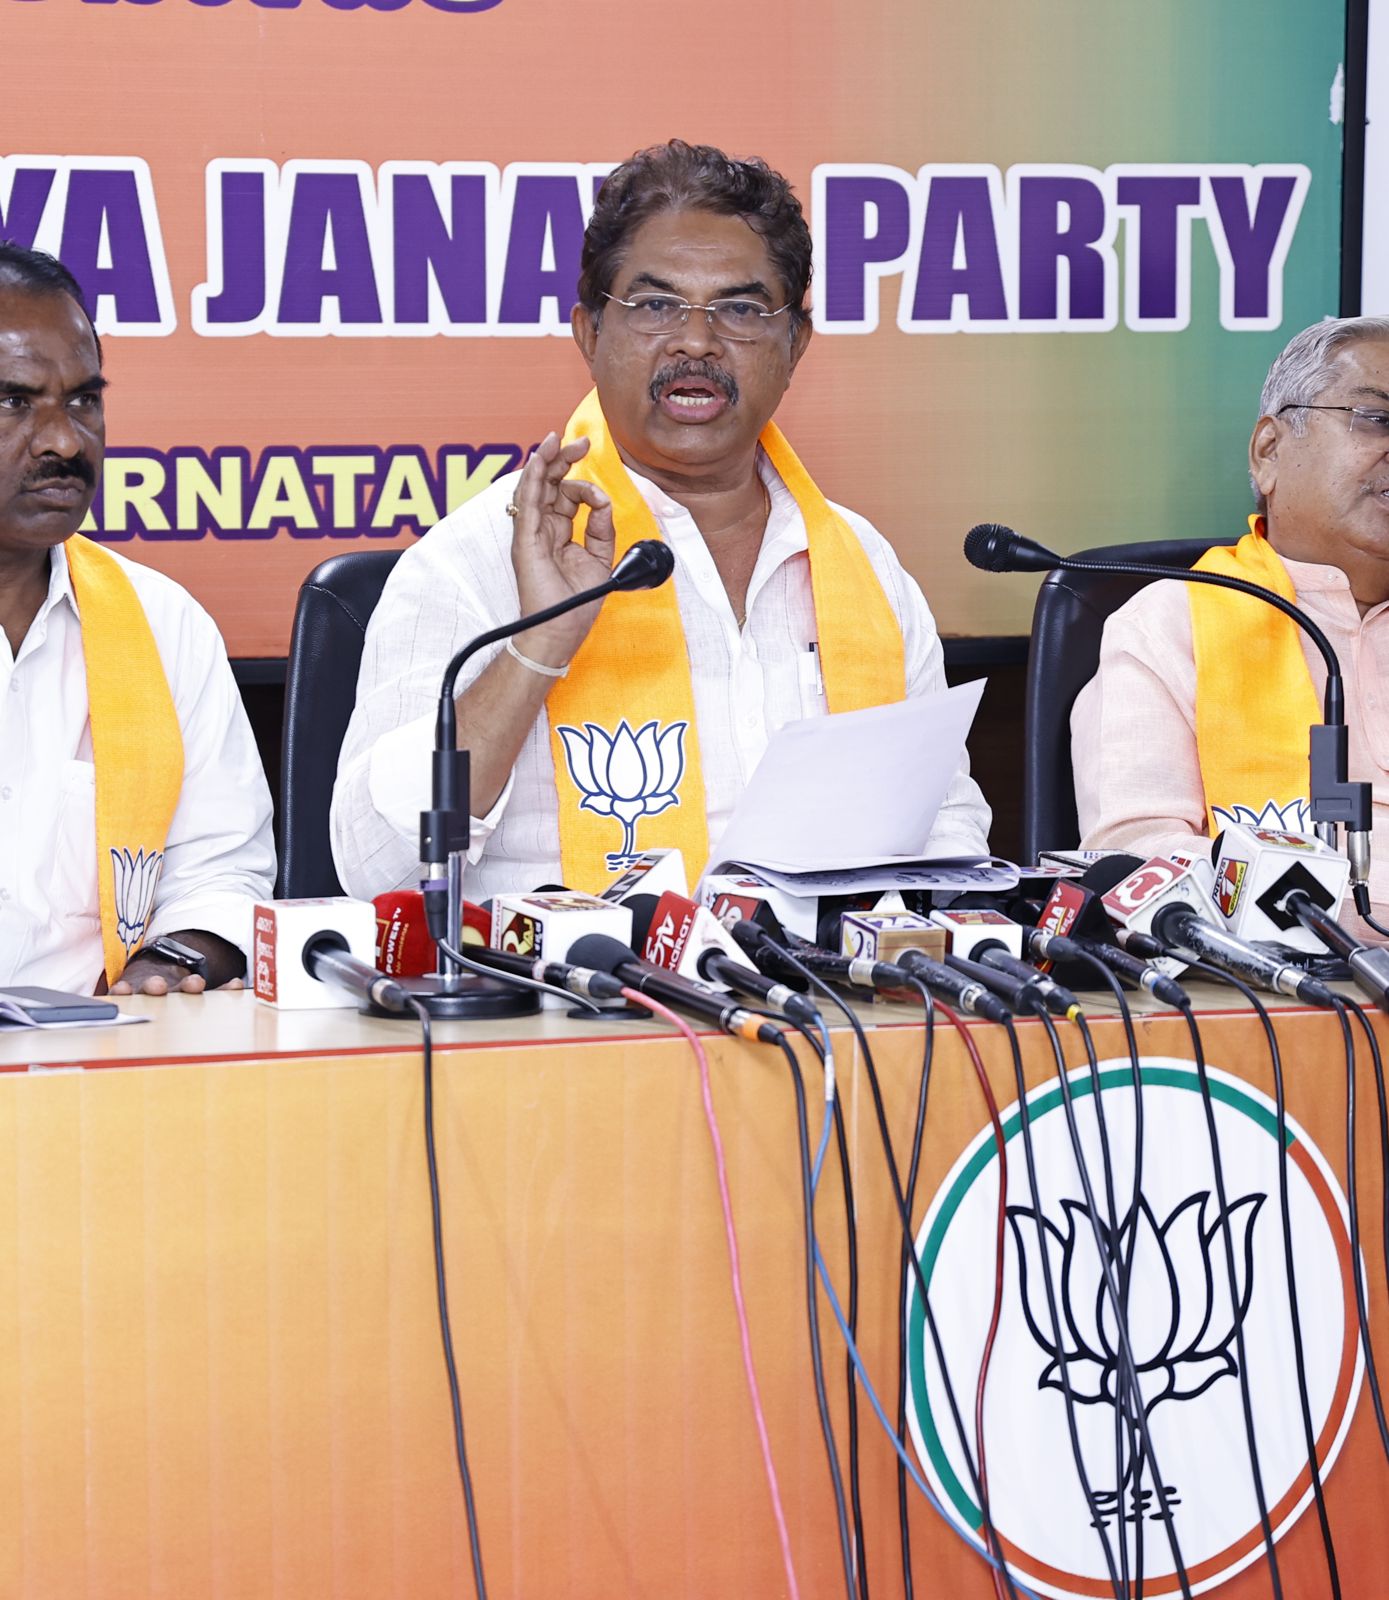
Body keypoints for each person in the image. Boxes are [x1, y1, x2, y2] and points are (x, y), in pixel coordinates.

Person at [331, 141, 989, 899]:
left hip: (823, 971)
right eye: (654, 306)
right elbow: (378, 868)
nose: (696, 342)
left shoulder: (862, 567)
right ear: (589, 333)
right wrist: (539, 646)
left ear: (794, 346)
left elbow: (945, 824)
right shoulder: (473, 560)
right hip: (573, 973)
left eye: (741, 309)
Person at [0, 243, 275, 996]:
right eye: (14, 402)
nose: (65, 441)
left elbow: (222, 870)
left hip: (107, 1049)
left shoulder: (161, 624)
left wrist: (170, 964)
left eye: (83, 400)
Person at [1072, 314, 1389, 930]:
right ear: (1270, 452)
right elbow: (1137, 856)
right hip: (1277, 978)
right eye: (1377, 418)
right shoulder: (1171, 624)